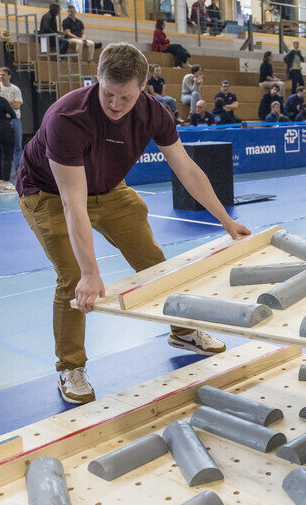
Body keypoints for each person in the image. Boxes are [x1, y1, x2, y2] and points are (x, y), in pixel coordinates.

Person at [16, 42, 250, 404]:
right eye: (108, 93)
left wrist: (226, 221)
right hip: (47, 193)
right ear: (97, 78)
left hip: (109, 189)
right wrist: (91, 271)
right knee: (74, 276)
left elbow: (186, 169)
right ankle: (70, 366)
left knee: (155, 265)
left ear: (144, 87)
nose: (114, 104)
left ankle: (184, 331)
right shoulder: (66, 118)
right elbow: (73, 204)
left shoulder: (154, 113)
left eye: (125, 97)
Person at [0, 67, 24, 175]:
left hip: (15, 119)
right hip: (2, 121)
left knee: (18, 144)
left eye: (3, 75)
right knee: (3, 146)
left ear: (9, 76)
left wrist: (4, 103)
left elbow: (18, 105)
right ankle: (2, 170)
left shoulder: (15, 89)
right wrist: (9, 103)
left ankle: (19, 167)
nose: (1, 77)